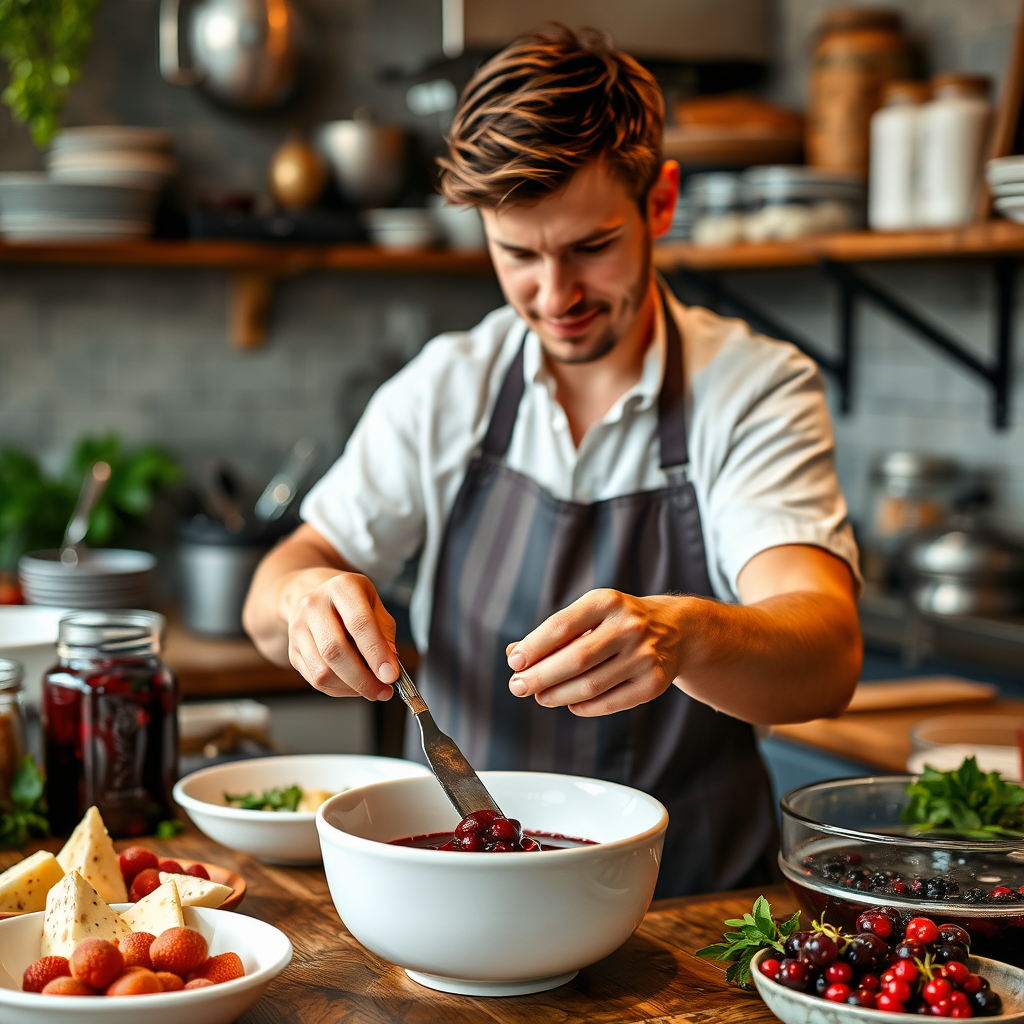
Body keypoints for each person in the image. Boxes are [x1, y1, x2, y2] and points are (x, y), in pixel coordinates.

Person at [243, 25, 863, 897]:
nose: (555, 295)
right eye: (518, 255)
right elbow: (277, 587)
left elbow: (827, 654)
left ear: (660, 203)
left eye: (591, 247)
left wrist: (686, 636)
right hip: (465, 893)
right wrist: (306, 600)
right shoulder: (447, 388)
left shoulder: (753, 388)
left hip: (688, 908)